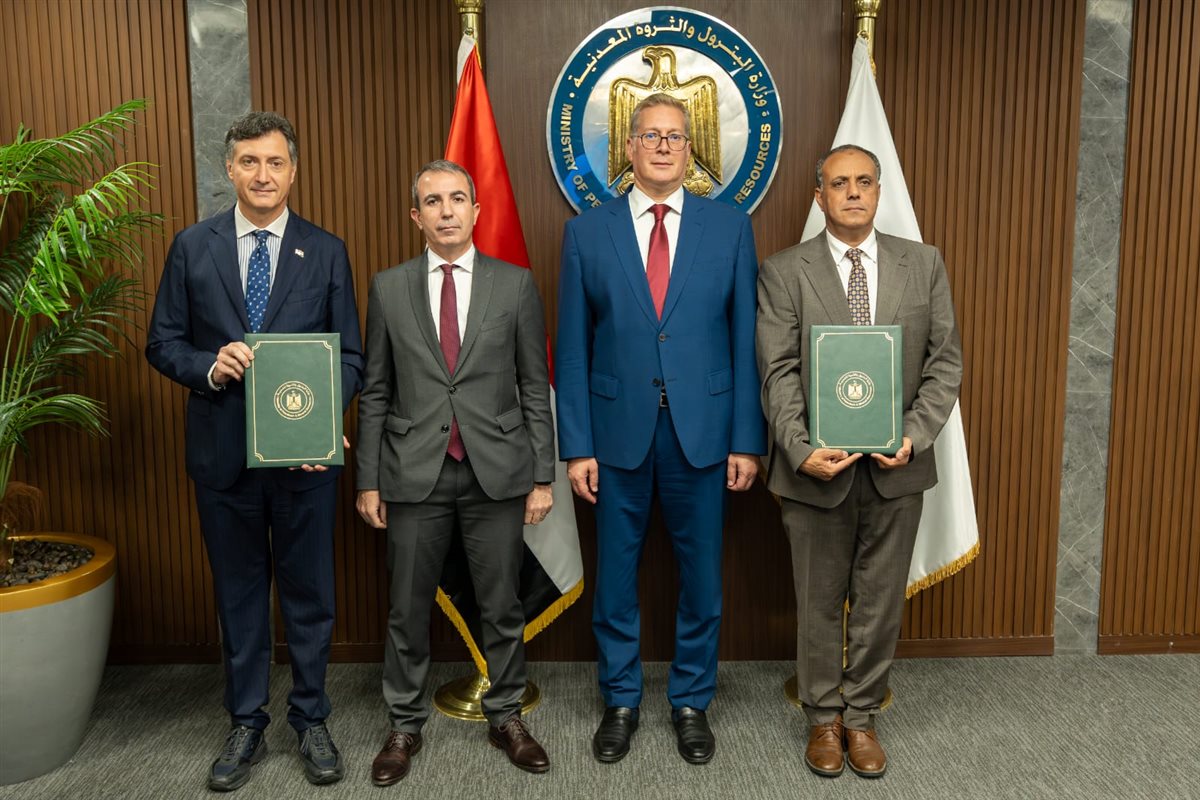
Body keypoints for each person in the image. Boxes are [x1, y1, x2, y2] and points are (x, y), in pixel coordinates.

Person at [145, 111, 363, 791]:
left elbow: (350, 356)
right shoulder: (192, 246)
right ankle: (245, 721)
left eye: (274, 162)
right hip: (222, 457)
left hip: (303, 459)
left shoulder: (326, 250)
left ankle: (311, 717)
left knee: (310, 595)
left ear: (293, 172)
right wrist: (209, 366)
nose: (262, 174)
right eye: (249, 161)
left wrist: (322, 421)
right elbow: (162, 342)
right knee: (239, 596)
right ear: (229, 169)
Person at [555, 93, 766, 765]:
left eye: (675, 136)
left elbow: (745, 340)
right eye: (651, 135)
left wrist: (746, 439)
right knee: (615, 580)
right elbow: (572, 348)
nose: (665, 146)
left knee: (701, 579)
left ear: (689, 148)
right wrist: (576, 447)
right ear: (629, 148)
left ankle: (690, 701)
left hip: (704, 435)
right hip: (615, 435)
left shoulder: (729, 228)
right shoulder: (586, 233)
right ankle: (620, 699)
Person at [756, 144, 962, 779]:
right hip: (817, 470)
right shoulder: (784, 270)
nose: (852, 192)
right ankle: (823, 718)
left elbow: (944, 364)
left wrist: (913, 436)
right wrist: (800, 448)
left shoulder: (922, 263)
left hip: (899, 466)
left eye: (864, 181)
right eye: (839, 182)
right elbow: (777, 371)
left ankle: (863, 716)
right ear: (819, 196)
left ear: (878, 191)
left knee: (879, 601)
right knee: (818, 601)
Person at [355, 160, 556, 785]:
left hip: (496, 471)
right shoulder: (388, 288)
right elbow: (376, 390)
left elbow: (533, 384)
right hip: (413, 472)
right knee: (406, 608)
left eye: (457, 199)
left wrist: (543, 476)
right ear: (415, 215)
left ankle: (506, 715)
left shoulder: (514, 285)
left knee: (501, 604)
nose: (446, 211)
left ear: (476, 210)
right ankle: (404, 724)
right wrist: (367, 480)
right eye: (433, 202)